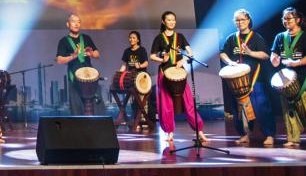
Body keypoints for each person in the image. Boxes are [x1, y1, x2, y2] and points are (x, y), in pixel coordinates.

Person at [270, 6, 306, 151]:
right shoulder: (279, 37)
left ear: (297, 20)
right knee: (288, 110)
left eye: (289, 18)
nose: (286, 21)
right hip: (286, 79)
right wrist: (274, 60)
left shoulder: (305, 37)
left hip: (304, 78)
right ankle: (293, 138)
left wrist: (298, 63)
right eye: (284, 19)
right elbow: (274, 56)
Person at [149, 11, 207, 150]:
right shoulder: (159, 38)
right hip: (164, 73)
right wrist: (162, 59)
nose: (172, 22)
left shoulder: (180, 37)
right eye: (169, 20)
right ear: (163, 22)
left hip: (179, 74)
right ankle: (169, 132)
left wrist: (183, 60)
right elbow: (152, 56)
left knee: (189, 102)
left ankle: (199, 131)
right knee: (166, 105)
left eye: (173, 20)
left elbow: (190, 53)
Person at [219, 9, 276, 146]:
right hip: (237, 81)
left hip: (254, 79)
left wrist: (250, 52)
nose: (240, 22)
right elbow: (222, 53)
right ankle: (244, 134)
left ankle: (269, 135)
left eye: (242, 19)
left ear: (248, 20)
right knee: (238, 109)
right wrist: (230, 62)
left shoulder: (256, 37)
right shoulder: (231, 38)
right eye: (237, 20)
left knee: (261, 107)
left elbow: (265, 55)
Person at [54, 14, 102, 116]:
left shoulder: (86, 38)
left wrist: (91, 54)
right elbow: (59, 60)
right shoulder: (64, 41)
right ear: (68, 24)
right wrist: (73, 56)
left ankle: (96, 123)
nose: (76, 24)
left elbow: (97, 54)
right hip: (74, 77)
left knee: (95, 106)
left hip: (89, 77)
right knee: (77, 107)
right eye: (73, 21)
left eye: (79, 22)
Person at [118, 30, 151, 131]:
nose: (131, 39)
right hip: (131, 78)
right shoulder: (127, 51)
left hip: (141, 79)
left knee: (142, 101)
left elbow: (146, 63)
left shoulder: (142, 50)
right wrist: (119, 75)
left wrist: (139, 66)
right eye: (130, 37)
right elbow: (124, 65)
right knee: (134, 102)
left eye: (133, 38)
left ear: (138, 40)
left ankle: (143, 122)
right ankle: (136, 122)